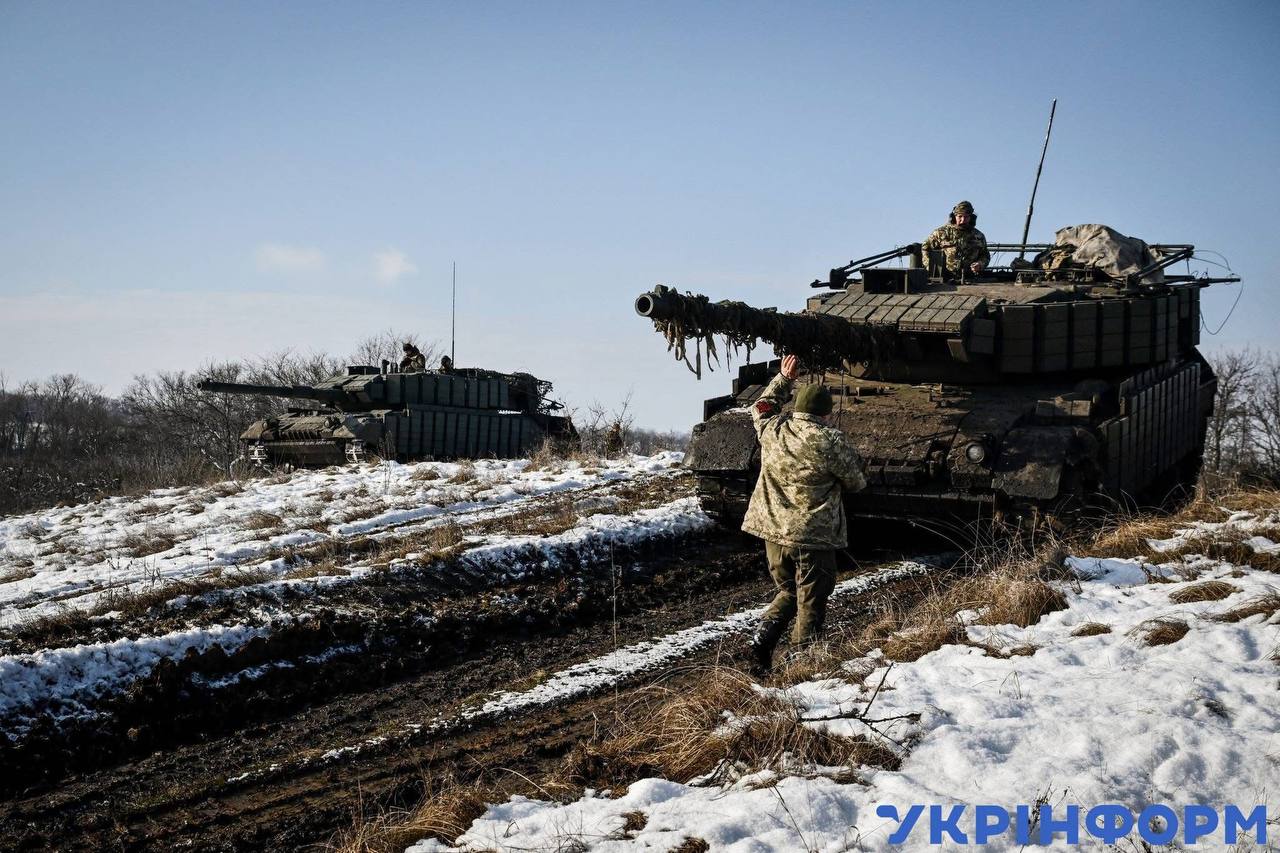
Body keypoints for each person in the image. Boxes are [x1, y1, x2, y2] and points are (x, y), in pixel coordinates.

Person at [741, 354, 867, 675]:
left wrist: (784, 379)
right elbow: (856, 482)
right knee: (812, 598)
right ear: (825, 413)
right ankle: (800, 663)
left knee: (789, 590)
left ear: (797, 407)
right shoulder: (830, 440)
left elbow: (761, 406)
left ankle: (761, 640)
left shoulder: (773, 430)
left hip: (773, 532)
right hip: (812, 535)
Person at [920, 200, 990, 280]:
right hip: (945, 279)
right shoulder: (941, 233)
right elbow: (925, 248)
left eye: (966, 217)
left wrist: (980, 264)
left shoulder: (978, 236)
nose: (963, 220)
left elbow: (985, 255)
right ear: (954, 216)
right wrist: (930, 267)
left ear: (971, 217)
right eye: (960, 216)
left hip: (971, 279)